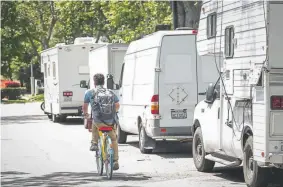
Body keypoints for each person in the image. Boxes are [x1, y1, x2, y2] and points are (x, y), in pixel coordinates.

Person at [83, 73, 120, 170]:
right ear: (104, 82)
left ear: (94, 82)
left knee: (94, 122)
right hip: (111, 122)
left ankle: (94, 143)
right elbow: (117, 105)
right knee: (113, 139)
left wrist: (86, 115)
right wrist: (112, 114)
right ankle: (115, 160)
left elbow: (85, 106)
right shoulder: (110, 92)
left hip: (99, 122)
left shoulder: (89, 92)